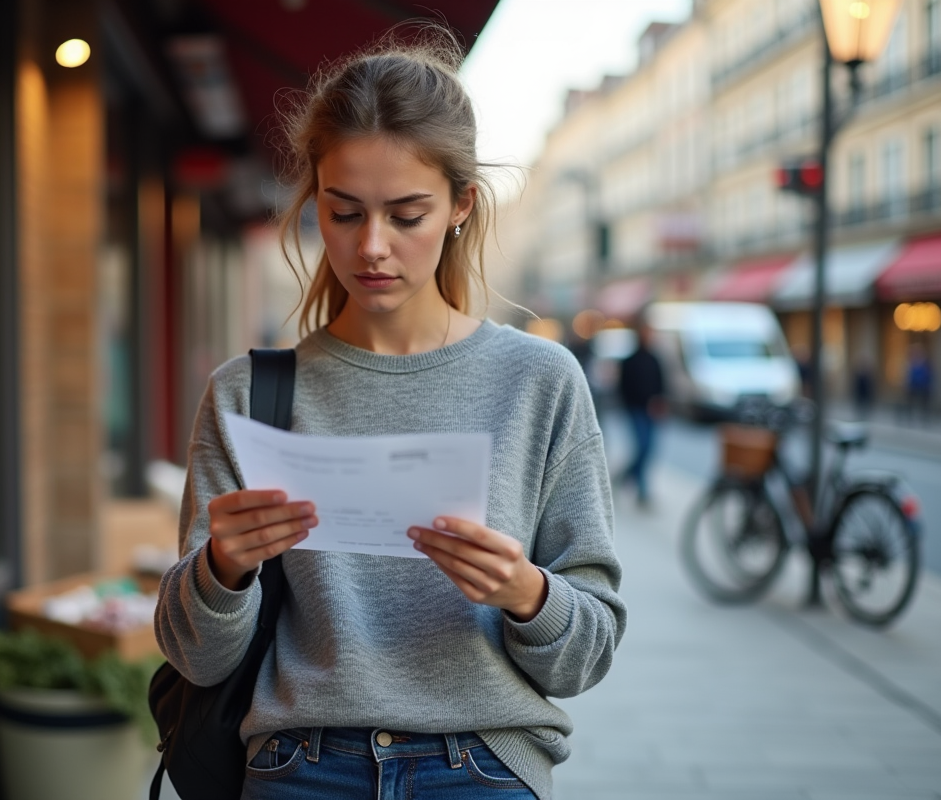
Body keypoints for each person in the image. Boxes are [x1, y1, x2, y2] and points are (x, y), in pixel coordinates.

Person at [154, 30, 625, 800]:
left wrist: (527, 594)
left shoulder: (538, 380)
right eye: (344, 213)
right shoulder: (248, 394)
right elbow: (196, 659)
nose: (372, 247)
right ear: (314, 201)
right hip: (296, 765)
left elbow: (587, 655)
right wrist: (221, 569)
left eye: (407, 215)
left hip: (481, 765)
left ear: (461, 206)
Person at [616, 320, 666, 508]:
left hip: (651, 411)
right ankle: (642, 491)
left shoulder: (655, 359)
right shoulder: (630, 360)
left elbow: (661, 384)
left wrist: (660, 402)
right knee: (642, 447)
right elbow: (623, 387)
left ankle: (626, 477)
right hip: (636, 409)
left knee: (649, 450)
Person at [906, 344, 933, 424]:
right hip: (913, 387)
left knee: (924, 404)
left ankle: (924, 418)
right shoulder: (912, 364)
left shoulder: (926, 364)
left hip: (923, 387)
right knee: (911, 403)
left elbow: (928, 376)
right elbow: (909, 376)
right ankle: (910, 417)